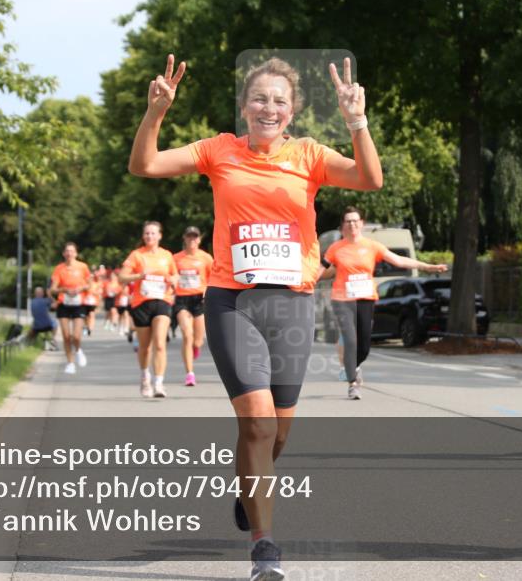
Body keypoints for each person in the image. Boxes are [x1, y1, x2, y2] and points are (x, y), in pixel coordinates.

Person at [129, 54, 382, 580]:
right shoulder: (218, 150)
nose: (270, 108)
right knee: (258, 424)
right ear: (245, 106)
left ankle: (249, 485)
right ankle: (264, 548)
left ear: (292, 111)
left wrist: (356, 121)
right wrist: (155, 112)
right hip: (232, 301)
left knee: (277, 434)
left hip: (290, 303)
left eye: (280, 101)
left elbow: (369, 179)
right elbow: (145, 165)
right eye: (260, 99)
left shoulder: (309, 155)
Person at [317, 206, 447, 399]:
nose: (352, 224)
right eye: (348, 221)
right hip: (342, 299)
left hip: (365, 298)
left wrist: (427, 266)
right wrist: (306, 282)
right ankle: (353, 384)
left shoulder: (372, 246)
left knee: (364, 344)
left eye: (355, 221)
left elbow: (399, 261)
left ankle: (354, 366)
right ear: (343, 226)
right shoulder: (336, 248)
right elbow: (321, 269)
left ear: (361, 224)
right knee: (350, 340)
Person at [119, 221, 179, 398]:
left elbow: (175, 274)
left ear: (160, 235)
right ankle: (145, 376)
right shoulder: (137, 255)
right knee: (144, 348)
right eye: (146, 234)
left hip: (162, 300)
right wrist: (139, 275)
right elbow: (122, 277)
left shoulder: (167, 255)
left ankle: (159, 382)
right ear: (143, 236)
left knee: (160, 343)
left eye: (153, 233)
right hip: (141, 303)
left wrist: (173, 280)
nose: (149, 237)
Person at [173, 226, 214, 386]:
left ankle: (194, 349)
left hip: (199, 299)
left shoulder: (206, 258)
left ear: (199, 239)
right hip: (182, 299)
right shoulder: (176, 258)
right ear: (184, 238)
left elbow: (214, 277)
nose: (192, 239)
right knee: (187, 334)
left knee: (197, 341)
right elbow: (171, 274)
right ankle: (190, 373)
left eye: (195, 237)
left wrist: (208, 293)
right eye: (189, 236)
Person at [50, 243, 92, 375]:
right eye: (67, 251)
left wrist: (80, 288)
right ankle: (70, 363)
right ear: (63, 254)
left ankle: (78, 351)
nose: (69, 254)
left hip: (79, 303)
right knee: (66, 335)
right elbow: (53, 289)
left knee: (76, 336)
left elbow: (90, 284)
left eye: (72, 251)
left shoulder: (83, 267)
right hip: (64, 303)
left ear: (76, 253)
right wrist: (64, 290)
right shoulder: (59, 269)